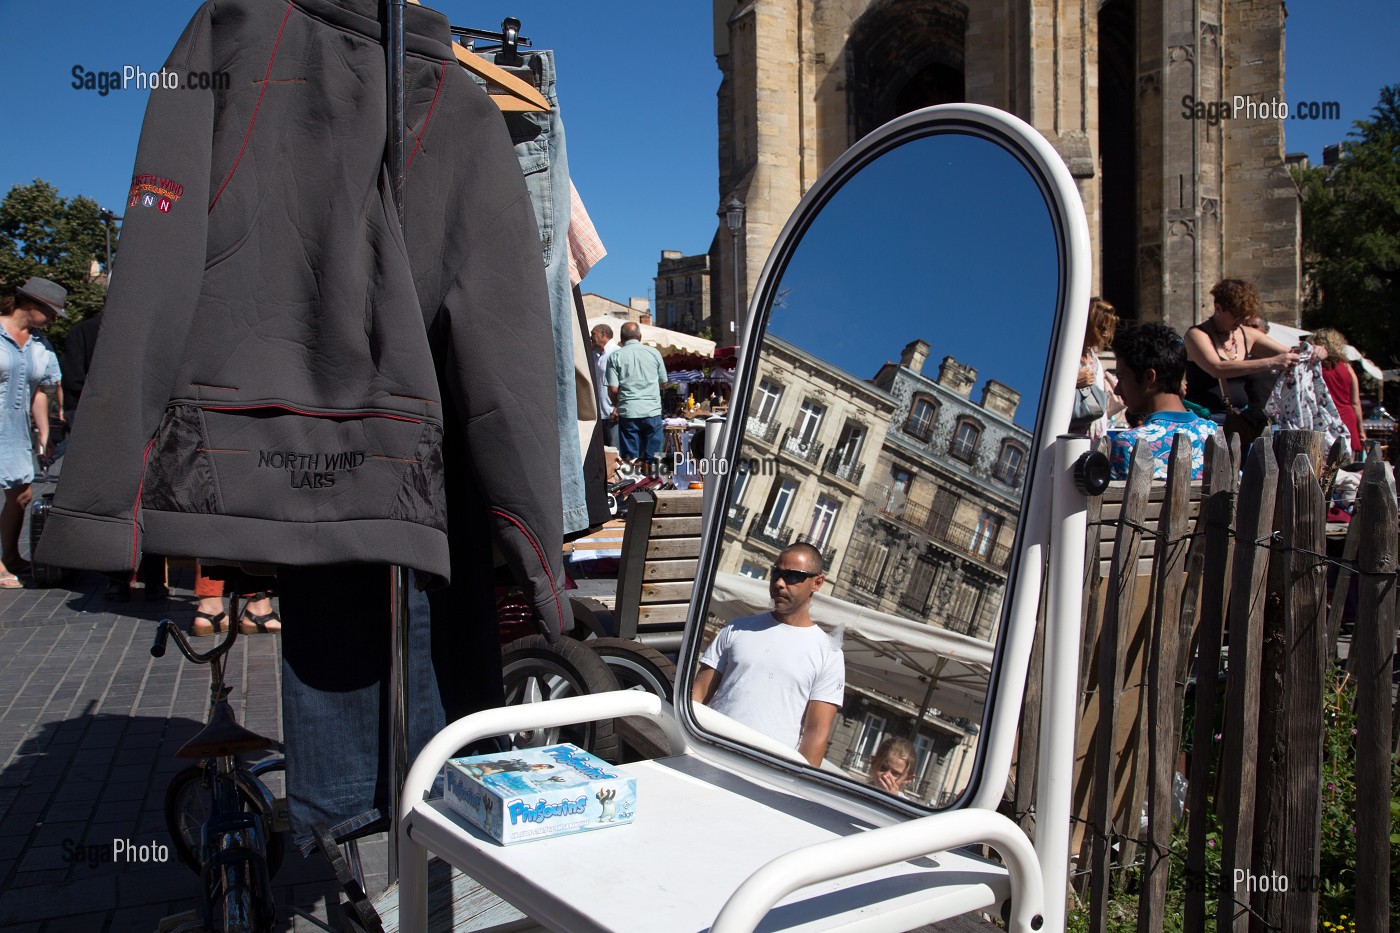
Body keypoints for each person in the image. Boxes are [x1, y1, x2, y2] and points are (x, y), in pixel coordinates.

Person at [692, 543, 845, 766]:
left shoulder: (828, 653)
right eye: (776, 573)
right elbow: (698, 695)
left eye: (792, 576)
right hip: (709, 756)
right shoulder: (737, 629)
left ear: (817, 582)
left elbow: (816, 734)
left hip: (767, 775)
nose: (780, 583)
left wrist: (794, 789)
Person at [1182, 279, 1307, 441]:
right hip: (1205, 420)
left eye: (1243, 317)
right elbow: (1217, 368)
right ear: (1218, 308)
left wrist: (1312, 350)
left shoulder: (1246, 334)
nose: (1239, 322)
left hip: (1241, 420)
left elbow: (1292, 353)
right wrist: (1272, 362)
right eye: (1236, 316)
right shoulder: (1196, 335)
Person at [0, 279, 64, 588]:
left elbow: (40, 391)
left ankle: (10, 557)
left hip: (16, 429)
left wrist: (45, 433)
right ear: (32, 304)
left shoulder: (40, 345)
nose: (53, 320)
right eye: (50, 313)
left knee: (22, 494)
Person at [1108, 323, 1219, 480]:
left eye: (1121, 378)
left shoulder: (1129, 445)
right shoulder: (1214, 435)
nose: (1117, 390)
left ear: (1148, 378)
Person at [605, 321, 668, 466]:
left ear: (621, 338)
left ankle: (633, 484)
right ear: (640, 336)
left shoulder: (615, 356)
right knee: (653, 458)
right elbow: (664, 382)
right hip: (652, 410)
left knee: (630, 459)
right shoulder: (654, 353)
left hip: (629, 411)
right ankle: (653, 481)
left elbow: (613, 389)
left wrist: (618, 405)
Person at [1311, 327, 1366, 457]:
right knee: (1347, 464)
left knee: (1323, 463)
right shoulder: (1347, 367)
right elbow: (1355, 402)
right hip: (1347, 417)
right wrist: (1361, 431)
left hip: (1325, 418)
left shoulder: (1315, 368)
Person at [1076, 298, 1125, 440]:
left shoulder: (1095, 359)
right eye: (1102, 328)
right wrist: (1074, 381)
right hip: (1074, 438)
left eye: (1109, 329)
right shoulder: (1068, 355)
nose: (1106, 334)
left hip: (1096, 436)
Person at [590, 323, 619, 449]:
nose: (590, 337)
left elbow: (624, 382)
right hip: (597, 414)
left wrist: (618, 407)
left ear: (603, 335)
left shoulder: (617, 353)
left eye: (593, 333)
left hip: (612, 414)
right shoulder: (594, 355)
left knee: (615, 453)